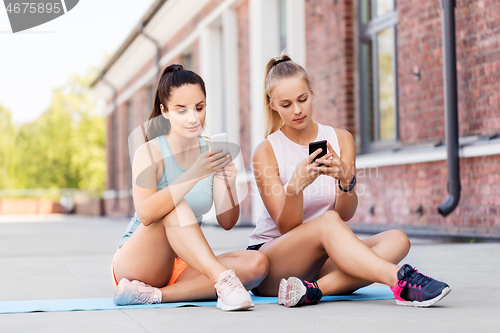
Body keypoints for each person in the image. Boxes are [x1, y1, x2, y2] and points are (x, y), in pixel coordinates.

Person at [247, 54, 451, 308]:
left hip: (321, 259)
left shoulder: (341, 139)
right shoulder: (266, 150)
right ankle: (399, 279)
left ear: (312, 93)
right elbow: (288, 227)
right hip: (275, 262)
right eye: (286, 104)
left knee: (398, 239)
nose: (297, 110)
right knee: (327, 222)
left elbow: (344, 214)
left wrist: (345, 180)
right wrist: (295, 187)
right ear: (273, 105)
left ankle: (313, 290)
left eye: (302, 99)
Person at [111, 64, 268, 311]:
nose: (193, 117)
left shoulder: (211, 152)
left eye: (200, 107)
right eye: (181, 110)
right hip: (140, 260)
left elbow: (227, 222)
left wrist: (227, 184)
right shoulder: (149, 152)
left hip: (185, 262)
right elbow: (146, 213)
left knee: (257, 263)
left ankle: (154, 295)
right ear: (164, 111)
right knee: (174, 205)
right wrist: (195, 173)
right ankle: (223, 281)